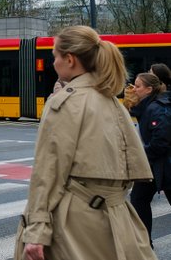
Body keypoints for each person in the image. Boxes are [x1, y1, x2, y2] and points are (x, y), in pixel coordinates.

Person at [14, 26, 155, 260]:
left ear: (70, 59)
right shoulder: (112, 102)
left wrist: (37, 229)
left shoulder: (65, 102)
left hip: (75, 221)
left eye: (55, 57)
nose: (53, 63)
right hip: (118, 219)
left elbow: (48, 170)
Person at [128, 72, 171, 246]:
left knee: (139, 200)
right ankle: (145, 244)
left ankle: (145, 244)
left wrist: (138, 153)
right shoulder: (149, 105)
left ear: (149, 89)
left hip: (162, 167)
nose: (133, 89)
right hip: (155, 166)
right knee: (139, 199)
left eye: (137, 86)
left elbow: (160, 143)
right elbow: (138, 112)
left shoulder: (157, 108)